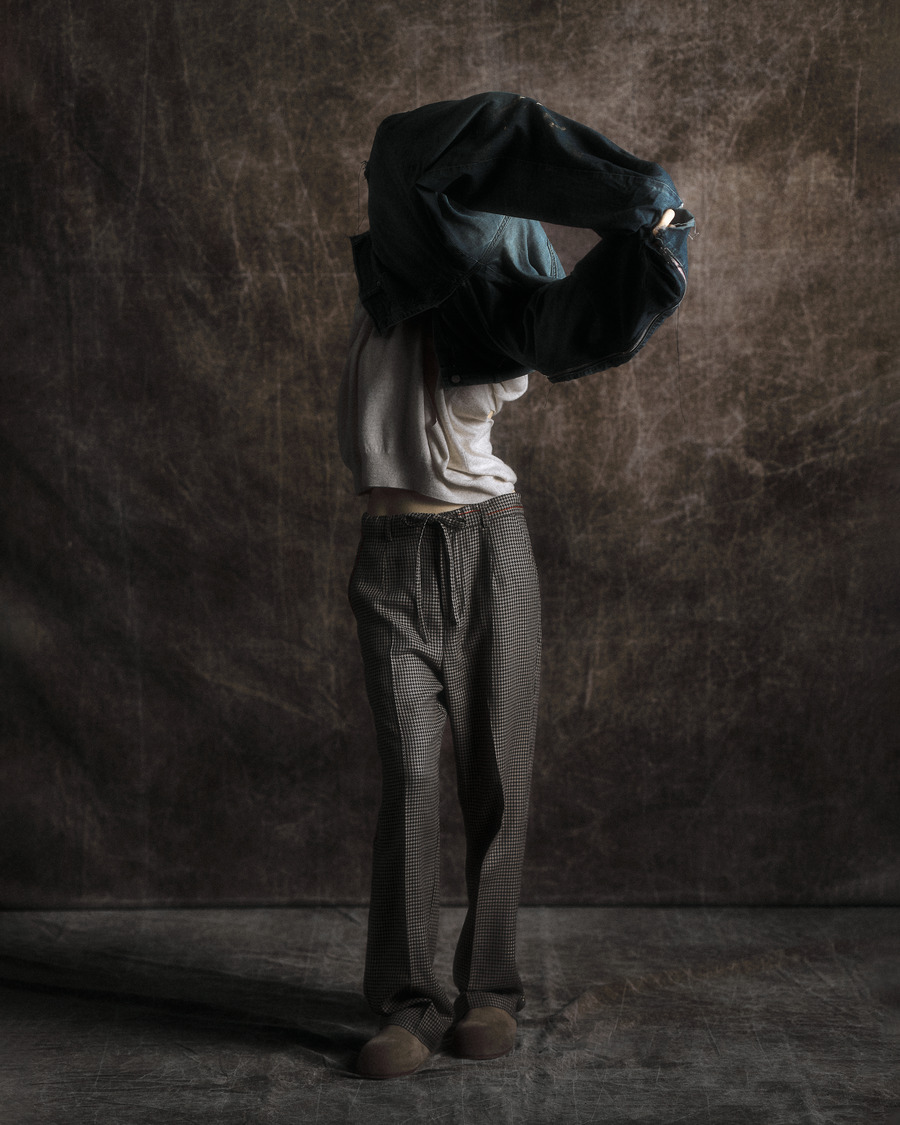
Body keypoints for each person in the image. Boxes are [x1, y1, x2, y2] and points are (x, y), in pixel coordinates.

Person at [338, 92, 693, 1080]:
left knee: (498, 779)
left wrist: (654, 229)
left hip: (488, 548)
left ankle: (489, 990)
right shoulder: (399, 273)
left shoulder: (500, 303)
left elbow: (582, 321)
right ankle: (406, 1002)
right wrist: (625, 188)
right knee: (410, 784)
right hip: (388, 560)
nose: (475, 210)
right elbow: (422, 154)